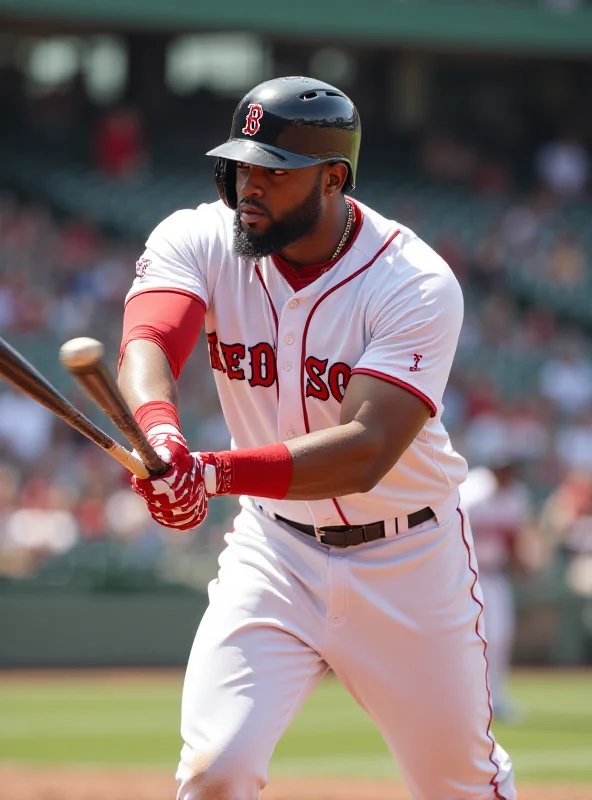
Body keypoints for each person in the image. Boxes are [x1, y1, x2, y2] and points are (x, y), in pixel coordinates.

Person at [118, 76, 516, 800]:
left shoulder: (413, 281)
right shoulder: (199, 237)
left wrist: (208, 474)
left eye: (272, 171)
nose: (248, 186)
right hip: (275, 550)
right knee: (217, 770)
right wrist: (161, 434)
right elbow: (147, 342)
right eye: (240, 165)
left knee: (459, 786)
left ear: (333, 178)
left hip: (408, 558)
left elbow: (365, 448)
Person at [460, 454, 542, 722]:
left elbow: (514, 538)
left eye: (512, 468)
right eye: (504, 468)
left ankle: (496, 699)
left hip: (494, 576)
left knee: (501, 636)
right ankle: (469, 699)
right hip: (464, 576)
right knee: (472, 638)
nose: (508, 473)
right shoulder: (472, 489)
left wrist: (524, 564)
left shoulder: (515, 494)